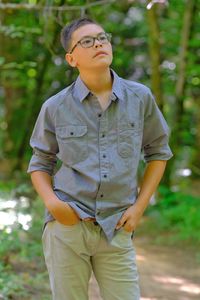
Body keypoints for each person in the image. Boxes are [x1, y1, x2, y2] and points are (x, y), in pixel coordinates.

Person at [27, 17, 173, 300]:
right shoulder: (55, 107)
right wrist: (53, 204)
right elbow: (40, 162)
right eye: (86, 41)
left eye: (102, 37)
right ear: (72, 59)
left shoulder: (140, 98)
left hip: (117, 227)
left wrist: (139, 207)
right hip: (68, 227)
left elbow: (158, 152)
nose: (98, 43)